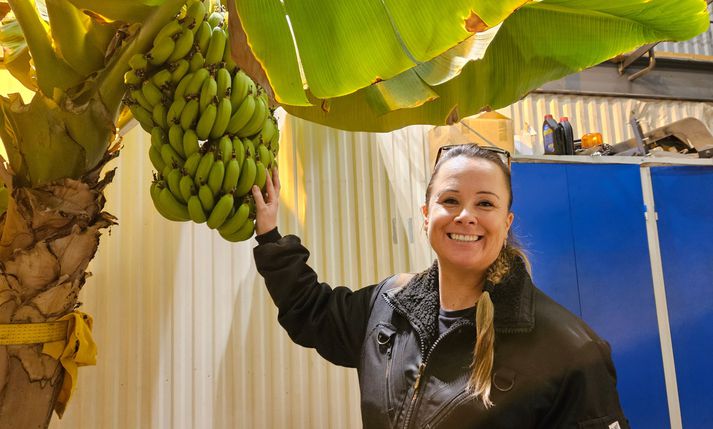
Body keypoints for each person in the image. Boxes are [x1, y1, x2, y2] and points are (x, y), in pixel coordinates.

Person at [250, 143, 629, 429]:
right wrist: (269, 236)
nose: (466, 216)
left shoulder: (568, 348)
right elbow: (313, 312)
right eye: (450, 200)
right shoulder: (388, 306)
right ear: (427, 214)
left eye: (485, 204)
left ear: (507, 221)